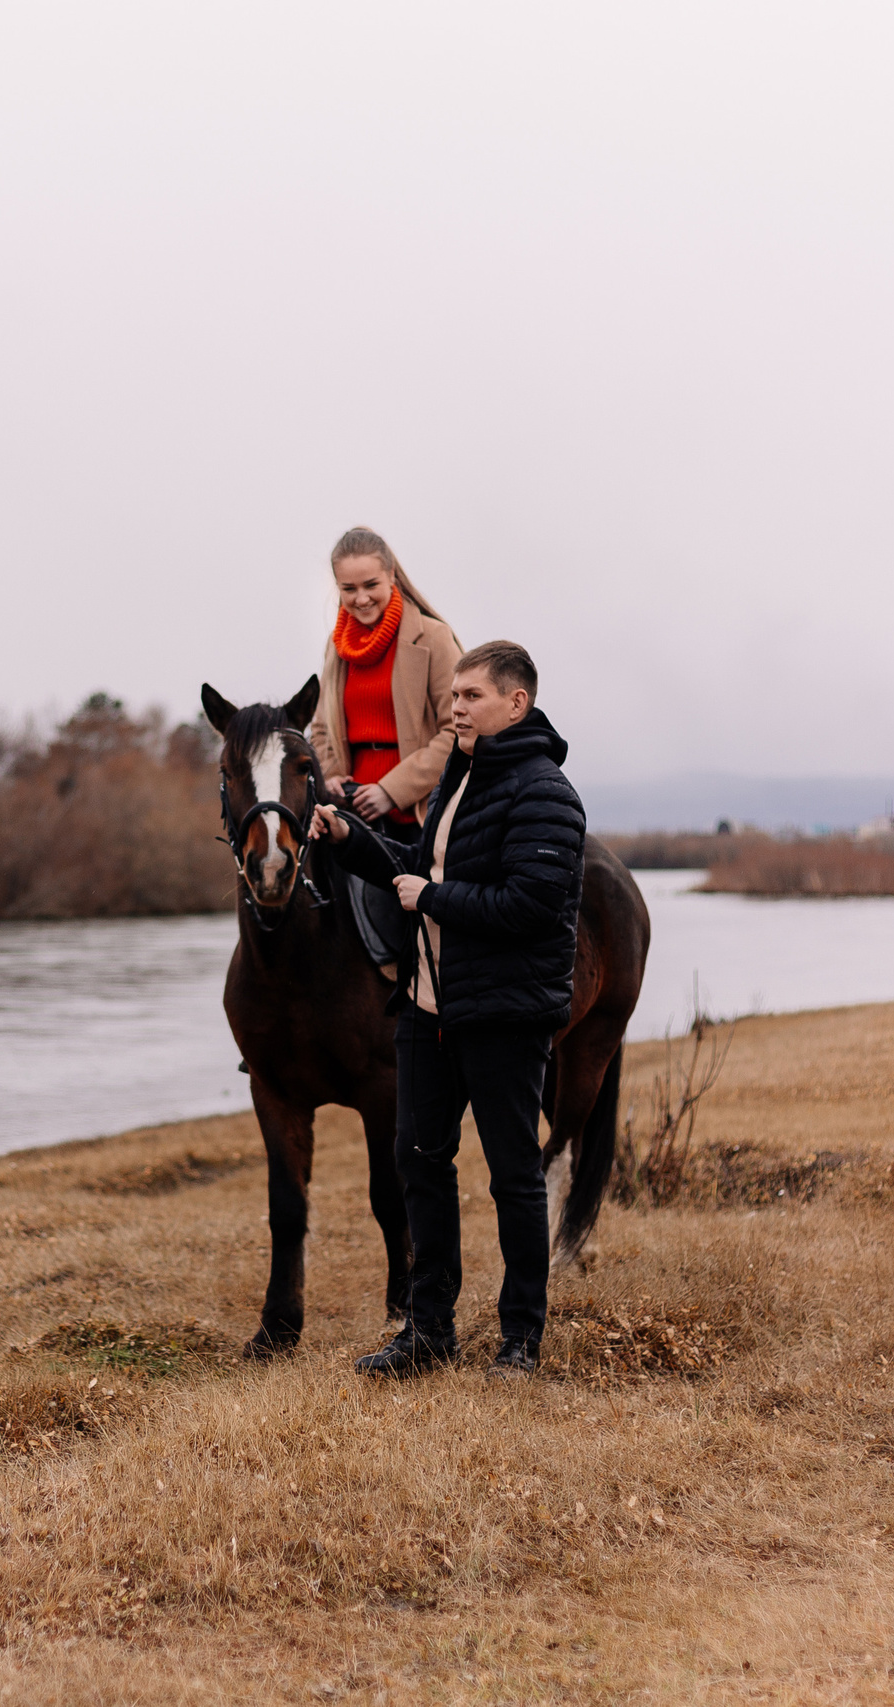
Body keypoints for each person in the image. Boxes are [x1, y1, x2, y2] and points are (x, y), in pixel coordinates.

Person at [309, 640, 585, 1379]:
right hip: (427, 1009)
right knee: (419, 1163)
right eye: (454, 696)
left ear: (516, 704)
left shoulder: (546, 793)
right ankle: (428, 1332)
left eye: (471, 696)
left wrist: (432, 897)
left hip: (503, 1015)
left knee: (513, 1176)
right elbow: (415, 869)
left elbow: (529, 905)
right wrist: (350, 840)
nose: (455, 708)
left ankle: (520, 1340)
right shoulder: (459, 777)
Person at [305, 528, 463, 826]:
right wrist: (332, 775)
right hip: (351, 816)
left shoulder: (434, 638)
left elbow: (459, 731)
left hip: (420, 814)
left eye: (371, 585)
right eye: (349, 589)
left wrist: (392, 791)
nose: (361, 598)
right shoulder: (336, 647)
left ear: (391, 575)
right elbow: (322, 728)